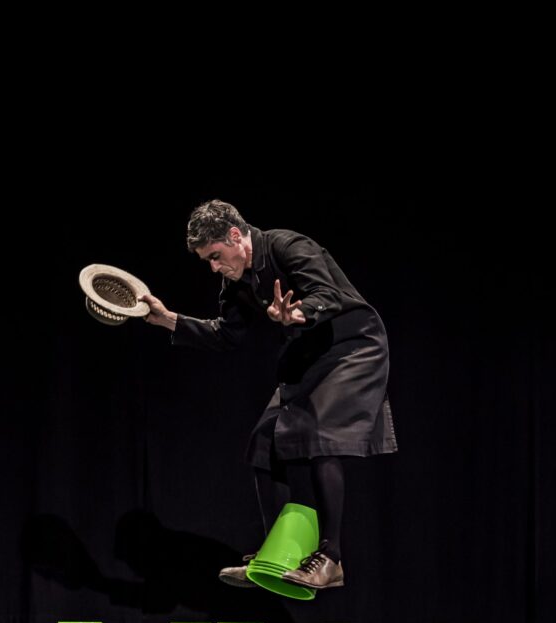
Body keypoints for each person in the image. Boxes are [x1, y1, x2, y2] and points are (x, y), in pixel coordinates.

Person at [140, 200, 397, 590]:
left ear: (234, 236)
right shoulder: (235, 280)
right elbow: (226, 335)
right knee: (265, 440)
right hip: (309, 356)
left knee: (320, 435)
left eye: (215, 256)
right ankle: (277, 553)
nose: (214, 267)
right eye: (206, 261)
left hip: (353, 346)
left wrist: (300, 313)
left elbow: (327, 292)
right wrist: (168, 319)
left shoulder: (288, 246)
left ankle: (330, 558)